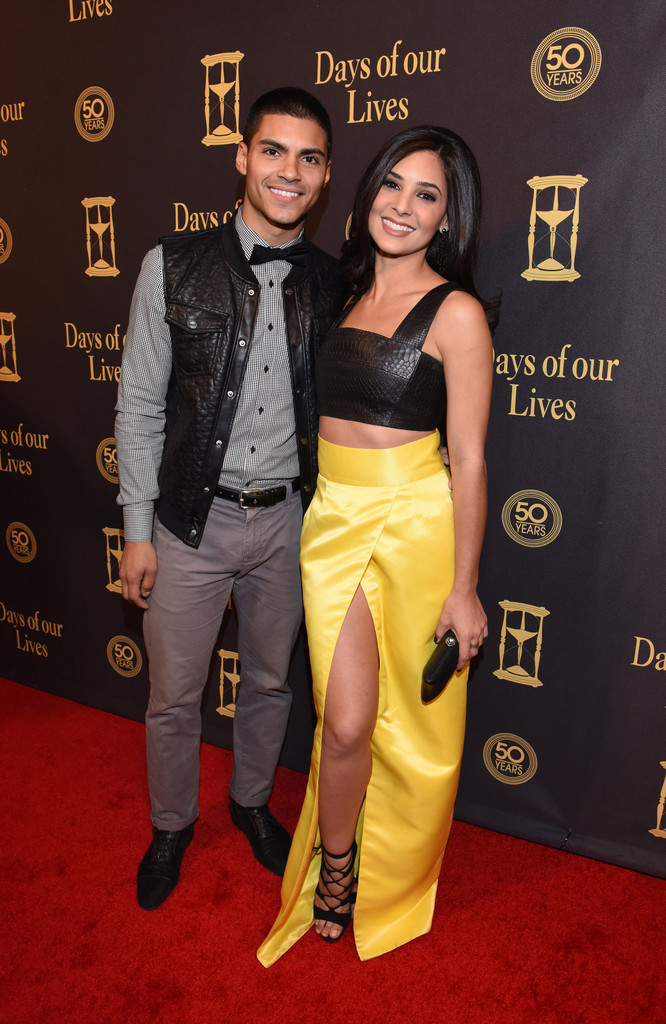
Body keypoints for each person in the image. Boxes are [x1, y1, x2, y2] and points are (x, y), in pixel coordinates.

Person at [258, 125, 498, 964]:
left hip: (415, 522)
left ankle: (381, 878)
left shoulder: (457, 313)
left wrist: (464, 588)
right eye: (392, 184)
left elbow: (469, 459)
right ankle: (337, 863)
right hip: (333, 521)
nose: (403, 205)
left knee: (411, 727)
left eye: (426, 195)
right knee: (347, 721)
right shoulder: (343, 293)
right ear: (365, 194)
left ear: (447, 218)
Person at [114, 87, 343, 911]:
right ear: (243, 156)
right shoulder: (170, 265)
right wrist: (137, 530)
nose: (289, 171)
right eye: (273, 150)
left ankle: (250, 804)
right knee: (173, 695)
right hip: (189, 522)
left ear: (324, 176)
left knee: (272, 683)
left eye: (308, 158)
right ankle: (171, 824)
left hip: (290, 523)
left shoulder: (336, 283)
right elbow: (139, 407)